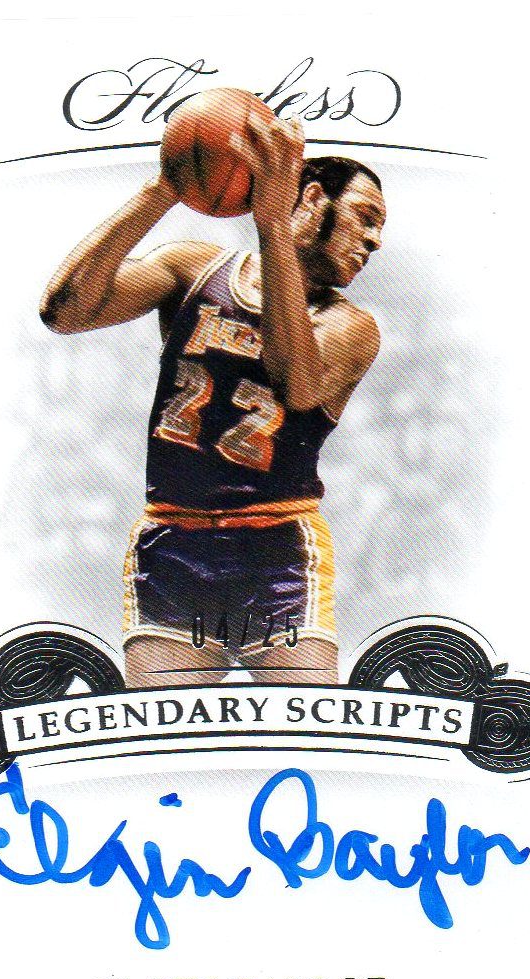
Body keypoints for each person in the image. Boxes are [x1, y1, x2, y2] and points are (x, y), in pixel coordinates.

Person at [40, 113, 386, 689]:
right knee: (161, 731)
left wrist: (273, 228)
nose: (375, 240)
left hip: (276, 544)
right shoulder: (192, 269)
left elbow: (296, 384)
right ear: (313, 198)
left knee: (302, 728)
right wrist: (164, 189)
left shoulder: (351, 326)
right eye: (366, 217)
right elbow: (64, 312)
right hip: (172, 539)